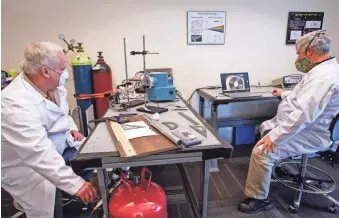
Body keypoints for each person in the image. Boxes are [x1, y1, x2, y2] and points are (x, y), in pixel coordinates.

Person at [238, 30, 339, 213]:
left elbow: (303, 114)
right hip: (307, 127)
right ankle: (274, 166)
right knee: (265, 128)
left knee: (261, 151)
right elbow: (303, 97)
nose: (298, 57)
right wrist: (283, 94)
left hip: (312, 133)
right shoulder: (324, 70)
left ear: (308, 51)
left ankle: (259, 199)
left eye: (298, 53)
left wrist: (275, 137)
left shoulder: (323, 77)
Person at [1, 41, 97, 218]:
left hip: (54, 149)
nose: (65, 74)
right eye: (61, 69)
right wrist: (75, 184)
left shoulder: (53, 87)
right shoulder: (14, 103)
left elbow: (62, 115)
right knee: (45, 209)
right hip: (26, 167)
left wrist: (71, 129)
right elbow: (37, 153)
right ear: (45, 71)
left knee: (88, 159)